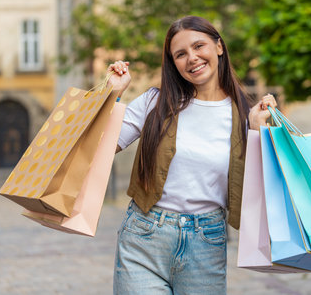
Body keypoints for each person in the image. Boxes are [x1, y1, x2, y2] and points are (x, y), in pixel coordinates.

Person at [107, 16, 277, 295]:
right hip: (144, 237)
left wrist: (259, 130)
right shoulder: (155, 102)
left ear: (219, 47)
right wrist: (112, 95)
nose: (192, 58)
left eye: (199, 46)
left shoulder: (248, 114)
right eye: (181, 54)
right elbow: (101, 147)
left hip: (206, 242)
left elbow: (258, 188)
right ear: (173, 63)